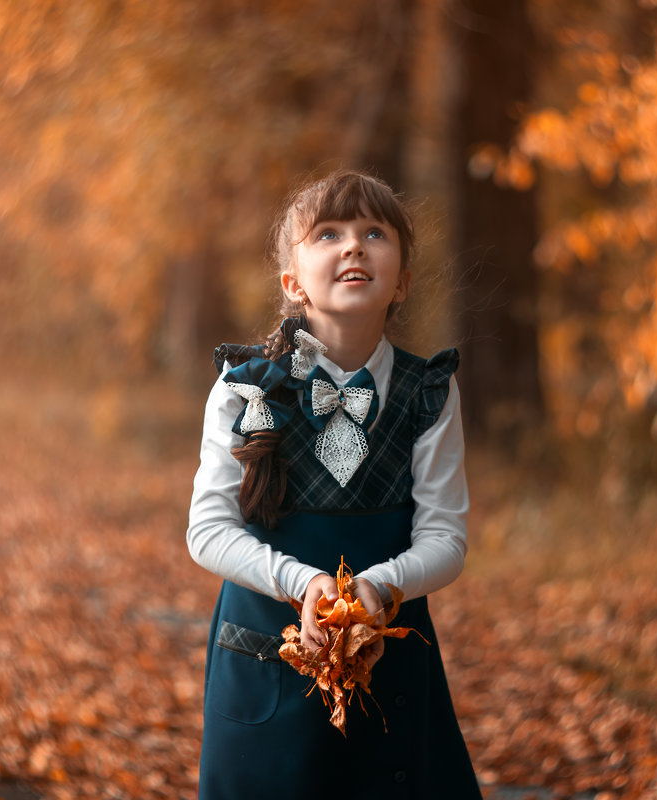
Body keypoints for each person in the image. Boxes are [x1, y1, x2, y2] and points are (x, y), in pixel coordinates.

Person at [186, 169, 482, 798]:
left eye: (374, 232)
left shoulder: (428, 392)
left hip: (391, 671)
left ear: (401, 280)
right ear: (293, 282)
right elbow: (208, 532)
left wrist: (378, 586)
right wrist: (304, 583)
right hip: (265, 663)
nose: (353, 245)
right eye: (328, 234)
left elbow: (445, 538)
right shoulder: (245, 385)